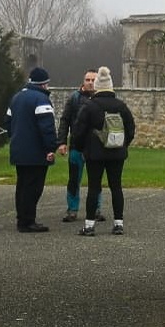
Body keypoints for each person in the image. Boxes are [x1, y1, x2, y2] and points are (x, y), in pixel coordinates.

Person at [69, 66, 135, 236]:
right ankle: (118, 223)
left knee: (94, 187)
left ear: (97, 86)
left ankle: (89, 225)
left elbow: (78, 131)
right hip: (117, 153)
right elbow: (131, 129)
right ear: (111, 86)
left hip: (95, 154)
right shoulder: (121, 106)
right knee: (116, 187)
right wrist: (123, 144)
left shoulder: (90, 106)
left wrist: (81, 147)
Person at [6, 67, 59, 233]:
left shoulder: (16, 98)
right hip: (36, 152)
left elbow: (8, 123)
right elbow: (47, 127)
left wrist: (16, 139)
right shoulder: (41, 99)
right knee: (34, 187)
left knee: (22, 185)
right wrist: (51, 148)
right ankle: (28, 221)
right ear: (43, 84)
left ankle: (22, 218)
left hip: (19, 149)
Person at [56, 68, 104, 223]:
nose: (90, 83)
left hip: (96, 147)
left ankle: (96, 209)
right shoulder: (74, 98)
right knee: (73, 180)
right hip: (77, 146)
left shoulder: (101, 99)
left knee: (95, 180)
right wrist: (62, 142)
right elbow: (65, 120)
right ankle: (72, 209)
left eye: (93, 80)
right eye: (87, 80)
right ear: (83, 81)